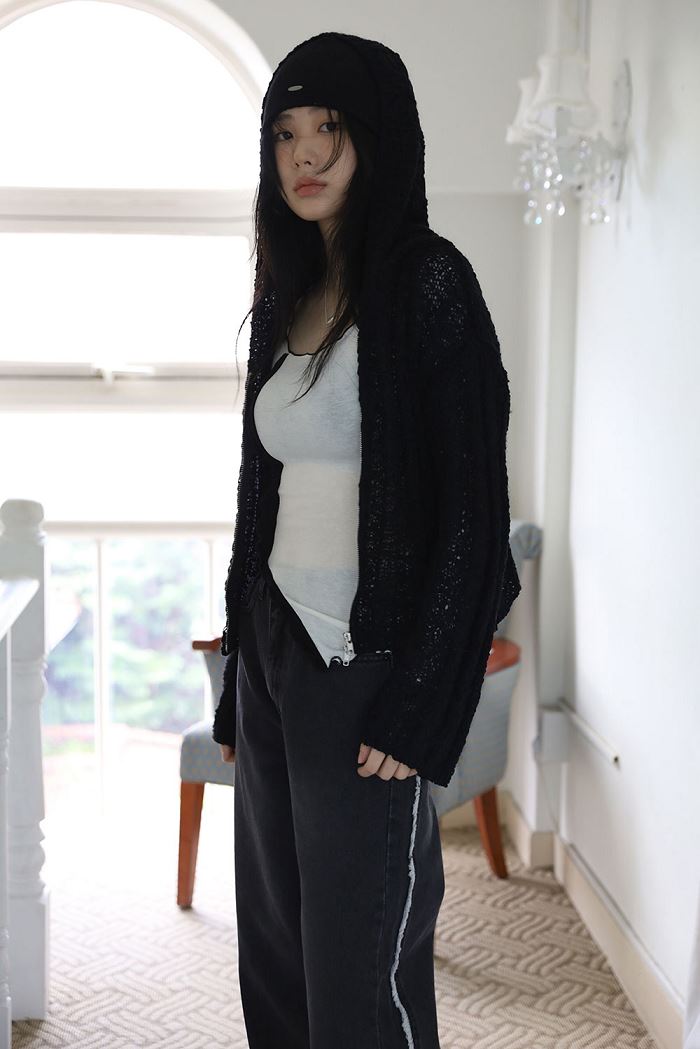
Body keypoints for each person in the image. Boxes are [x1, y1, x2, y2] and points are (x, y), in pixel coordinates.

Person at [213, 31, 521, 1049]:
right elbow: (259, 500)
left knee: (358, 967)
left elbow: (475, 519)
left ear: (376, 138)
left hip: (366, 663)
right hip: (275, 651)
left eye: (328, 129)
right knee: (277, 947)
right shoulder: (287, 292)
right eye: (284, 133)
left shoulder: (430, 284)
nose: (303, 155)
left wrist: (421, 702)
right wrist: (239, 676)